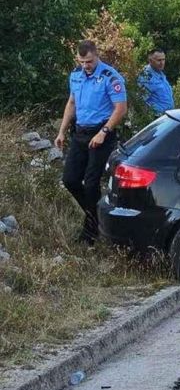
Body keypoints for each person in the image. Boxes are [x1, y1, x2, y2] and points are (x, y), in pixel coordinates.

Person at [54, 40, 128, 243]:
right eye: (82, 62)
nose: (86, 66)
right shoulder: (76, 76)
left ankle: (90, 230)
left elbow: (120, 108)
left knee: (91, 183)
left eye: (89, 61)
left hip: (102, 133)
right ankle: (96, 215)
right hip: (80, 132)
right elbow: (71, 103)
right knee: (70, 179)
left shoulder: (110, 77)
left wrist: (104, 131)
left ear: (97, 56)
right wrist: (61, 131)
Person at [137, 48, 174, 114]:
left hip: (167, 115)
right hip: (157, 118)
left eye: (163, 59)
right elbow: (140, 102)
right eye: (159, 60)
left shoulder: (160, 73)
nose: (162, 63)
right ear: (150, 61)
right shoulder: (146, 77)